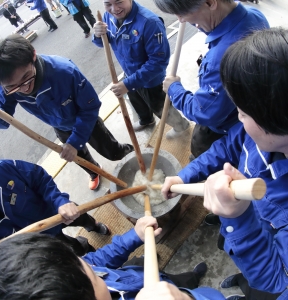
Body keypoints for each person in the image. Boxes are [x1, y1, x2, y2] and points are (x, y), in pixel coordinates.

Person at [161, 27, 288, 300]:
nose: (238, 117)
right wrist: (185, 177)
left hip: (269, 265)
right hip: (250, 232)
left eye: (242, 112)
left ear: (274, 117)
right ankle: (243, 278)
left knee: (260, 289)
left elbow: (277, 281)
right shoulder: (256, 132)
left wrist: (238, 218)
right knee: (238, 253)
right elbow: (225, 146)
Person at [0, 35, 133, 190]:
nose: (23, 88)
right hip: (59, 126)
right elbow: (3, 121)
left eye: (26, 77)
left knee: (111, 151)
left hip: (86, 121)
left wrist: (74, 142)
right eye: (13, 86)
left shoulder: (64, 72)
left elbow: (90, 107)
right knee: (78, 157)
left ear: (33, 56)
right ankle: (94, 172)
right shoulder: (8, 87)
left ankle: (132, 155)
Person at [0, 216, 227, 300]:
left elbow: (99, 259)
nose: (91, 267)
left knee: (175, 281)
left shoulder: (76, 274)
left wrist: (134, 236)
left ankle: (190, 279)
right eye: (93, 276)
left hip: (137, 279)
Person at [153, 0, 269, 157]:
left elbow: (204, 113)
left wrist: (174, 89)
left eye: (182, 13)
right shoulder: (255, 15)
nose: (180, 19)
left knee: (201, 151)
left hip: (224, 126)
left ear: (210, 2)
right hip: (245, 107)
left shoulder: (219, 60)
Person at [93, 0, 189, 139]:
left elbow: (158, 62)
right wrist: (97, 35)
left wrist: (127, 84)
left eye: (119, 2)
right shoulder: (108, 17)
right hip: (129, 73)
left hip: (151, 81)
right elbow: (104, 42)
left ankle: (181, 126)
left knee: (161, 107)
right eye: (108, 4)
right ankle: (146, 119)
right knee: (137, 101)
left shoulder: (150, 23)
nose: (114, 9)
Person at [0, 159, 110, 255]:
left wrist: (59, 201)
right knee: (71, 250)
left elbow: (39, 177)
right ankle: (85, 248)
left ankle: (92, 225)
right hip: (40, 241)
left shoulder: (0, 170)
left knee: (82, 217)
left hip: (55, 210)